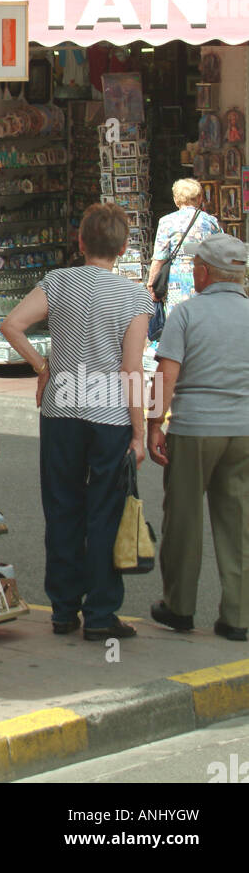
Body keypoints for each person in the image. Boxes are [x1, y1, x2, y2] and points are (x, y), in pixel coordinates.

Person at [1, 204, 153, 642]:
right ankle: (101, 613)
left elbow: (12, 326)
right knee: (105, 511)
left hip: (61, 410)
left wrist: (41, 366)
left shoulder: (59, 282)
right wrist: (139, 432)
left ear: (81, 242)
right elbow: (131, 370)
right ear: (123, 247)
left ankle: (63, 608)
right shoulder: (134, 297)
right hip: (108, 416)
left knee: (62, 506)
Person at [148, 232, 249, 641]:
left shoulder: (186, 314)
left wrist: (155, 424)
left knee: (184, 520)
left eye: (195, 267)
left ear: (205, 273)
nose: (193, 272)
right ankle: (238, 617)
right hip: (243, 430)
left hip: (194, 428)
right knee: (238, 522)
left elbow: (167, 374)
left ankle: (180, 607)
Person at [147, 179, 221, 311]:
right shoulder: (211, 222)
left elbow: (159, 258)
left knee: (178, 324)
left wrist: (151, 285)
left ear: (176, 200)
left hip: (177, 284)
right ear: (199, 199)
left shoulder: (167, 222)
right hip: (205, 281)